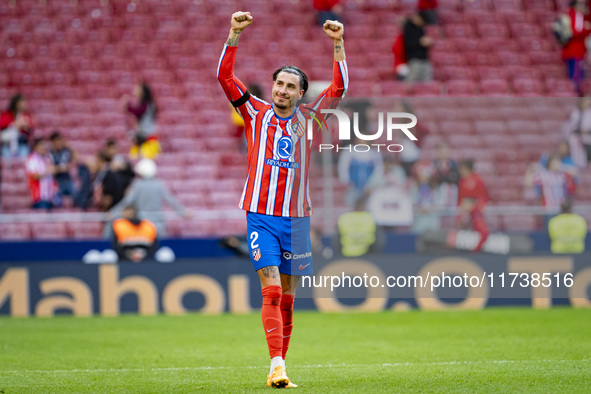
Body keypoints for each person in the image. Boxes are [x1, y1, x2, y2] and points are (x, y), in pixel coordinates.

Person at [217, 11, 347, 388]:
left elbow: (338, 90)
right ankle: (276, 364)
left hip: (296, 219)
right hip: (259, 214)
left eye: (291, 86)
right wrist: (234, 35)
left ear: (300, 93)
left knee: (288, 298)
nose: (283, 91)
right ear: (271, 86)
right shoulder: (253, 111)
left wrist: (337, 43)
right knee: (271, 291)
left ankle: (281, 364)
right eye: (279, 84)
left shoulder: (308, 119)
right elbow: (225, 78)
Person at [110, 158, 188, 237]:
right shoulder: (159, 184)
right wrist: (183, 212)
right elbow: (171, 200)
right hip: (158, 225)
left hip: (143, 225)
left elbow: (126, 201)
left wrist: (113, 212)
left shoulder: (137, 185)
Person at [338, 135, 384, 206]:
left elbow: (378, 170)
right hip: (353, 186)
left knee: (370, 205)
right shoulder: (349, 151)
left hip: (369, 188)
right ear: (356, 139)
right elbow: (343, 166)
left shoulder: (374, 153)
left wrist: (372, 184)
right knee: (351, 205)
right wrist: (346, 181)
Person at [121, 82, 160, 159]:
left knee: (144, 159)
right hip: (142, 136)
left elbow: (138, 112)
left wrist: (127, 105)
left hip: (147, 138)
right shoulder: (147, 104)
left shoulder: (147, 104)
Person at [561, 0, 591, 95]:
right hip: (574, 51)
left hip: (575, 51)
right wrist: (586, 29)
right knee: (576, 79)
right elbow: (575, 32)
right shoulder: (575, 15)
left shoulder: (571, 15)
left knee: (577, 77)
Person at [0, 93, 34, 159]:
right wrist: (14, 124)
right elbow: (2, 124)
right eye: (22, 102)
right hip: (8, 144)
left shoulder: (26, 115)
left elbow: (30, 128)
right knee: (7, 165)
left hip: (21, 143)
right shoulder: (7, 114)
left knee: (23, 160)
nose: (24, 104)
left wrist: (25, 126)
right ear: (16, 103)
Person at [403, 11, 434, 83]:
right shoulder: (408, 26)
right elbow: (408, 44)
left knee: (427, 83)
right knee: (411, 82)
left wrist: (428, 42)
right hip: (414, 60)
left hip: (424, 59)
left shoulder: (421, 28)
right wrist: (420, 42)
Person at [25, 138, 56, 209]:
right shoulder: (32, 159)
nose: (44, 147)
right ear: (36, 147)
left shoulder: (48, 157)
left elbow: (52, 174)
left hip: (50, 196)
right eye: (41, 145)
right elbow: (34, 176)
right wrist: (47, 171)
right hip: (39, 197)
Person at [49, 131, 76, 199]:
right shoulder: (50, 154)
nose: (58, 143)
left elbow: (67, 167)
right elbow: (51, 169)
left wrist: (56, 168)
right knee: (56, 200)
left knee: (77, 196)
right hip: (56, 181)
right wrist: (60, 168)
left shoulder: (66, 151)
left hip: (67, 179)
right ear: (52, 142)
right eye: (56, 141)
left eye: (59, 140)